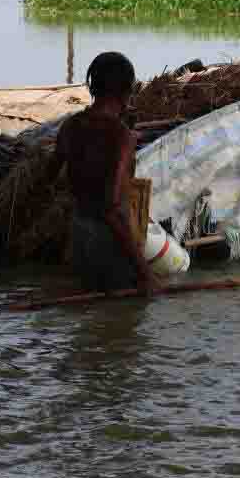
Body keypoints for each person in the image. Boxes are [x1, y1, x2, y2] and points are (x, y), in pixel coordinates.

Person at [55, 52, 158, 296]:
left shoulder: (71, 126)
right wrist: (145, 272)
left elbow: (49, 177)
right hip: (111, 243)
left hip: (80, 238)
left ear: (94, 87)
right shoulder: (121, 136)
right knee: (122, 323)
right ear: (125, 90)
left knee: (90, 318)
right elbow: (110, 207)